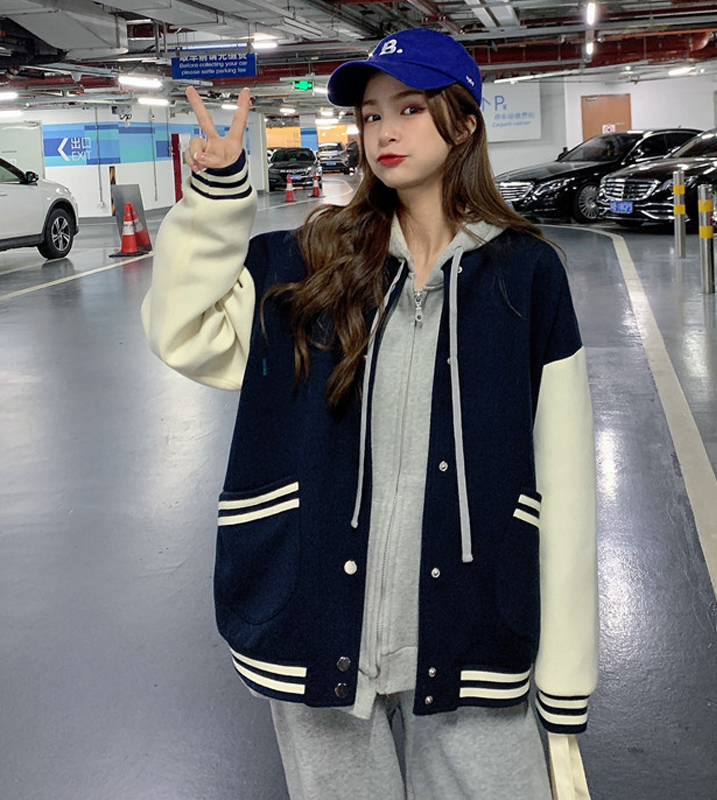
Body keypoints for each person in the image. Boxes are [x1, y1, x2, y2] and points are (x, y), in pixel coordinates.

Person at [142, 27, 598, 800]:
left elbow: (566, 474)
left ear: (465, 121)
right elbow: (183, 333)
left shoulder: (526, 274)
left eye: (410, 108)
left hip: (474, 623)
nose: (384, 130)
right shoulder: (312, 259)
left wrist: (566, 677)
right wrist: (216, 201)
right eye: (371, 114)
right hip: (318, 617)